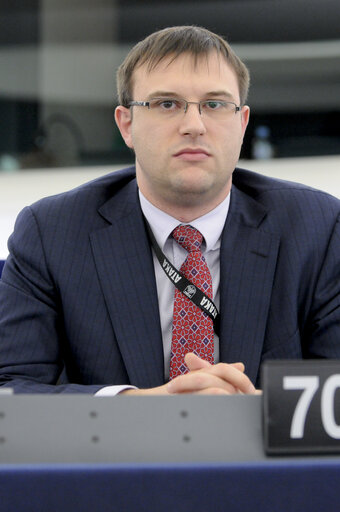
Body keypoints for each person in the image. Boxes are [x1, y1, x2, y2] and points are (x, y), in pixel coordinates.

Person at [0, 26, 339, 396]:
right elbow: (11, 390)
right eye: (166, 104)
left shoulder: (318, 229)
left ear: (242, 124)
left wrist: (264, 415)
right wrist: (141, 406)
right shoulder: (51, 233)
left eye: (214, 104)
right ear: (126, 125)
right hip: (122, 453)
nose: (194, 126)